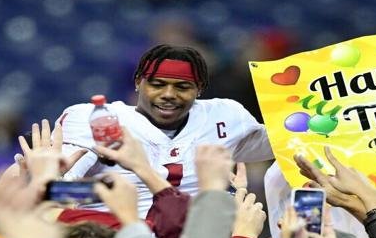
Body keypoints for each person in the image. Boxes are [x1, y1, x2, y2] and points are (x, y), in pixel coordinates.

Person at [56, 44, 275, 219]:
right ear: (138, 83)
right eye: (158, 84)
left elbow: (284, 144)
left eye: (182, 87)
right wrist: (100, 193)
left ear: (199, 90)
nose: (169, 94)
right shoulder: (96, 118)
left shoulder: (225, 115)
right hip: (112, 235)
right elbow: (56, 189)